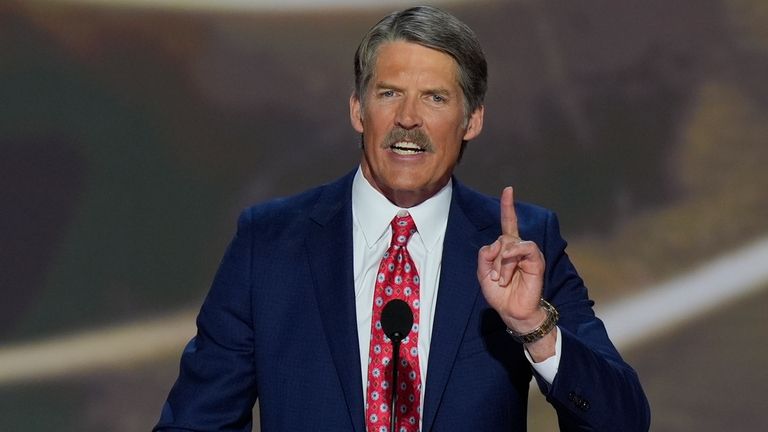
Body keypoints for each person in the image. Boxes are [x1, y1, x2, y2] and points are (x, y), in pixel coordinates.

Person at [154, 6, 650, 432]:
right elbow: (196, 422)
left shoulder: (521, 243)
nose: (408, 118)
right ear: (357, 109)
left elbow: (623, 421)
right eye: (389, 93)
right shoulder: (269, 243)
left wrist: (535, 327)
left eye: (435, 97)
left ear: (472, 120)